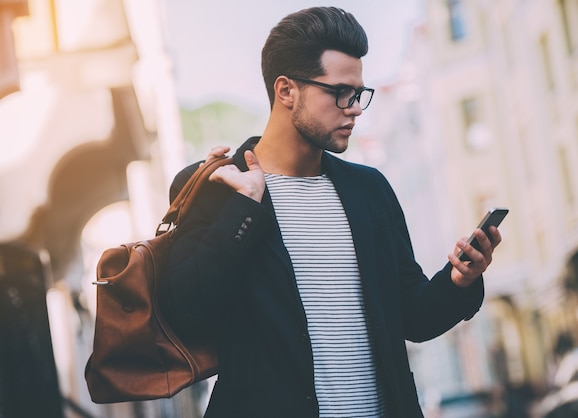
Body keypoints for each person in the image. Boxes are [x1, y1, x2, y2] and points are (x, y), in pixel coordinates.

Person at [159, 6, 502, 418]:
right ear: (286, 91)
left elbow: (414, 317)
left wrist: (460, 280)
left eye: (359, 94)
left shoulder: (369, 190)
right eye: (340, 92)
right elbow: (185, 312)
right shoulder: (215, 187)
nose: (354, 107)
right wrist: (243, 210)